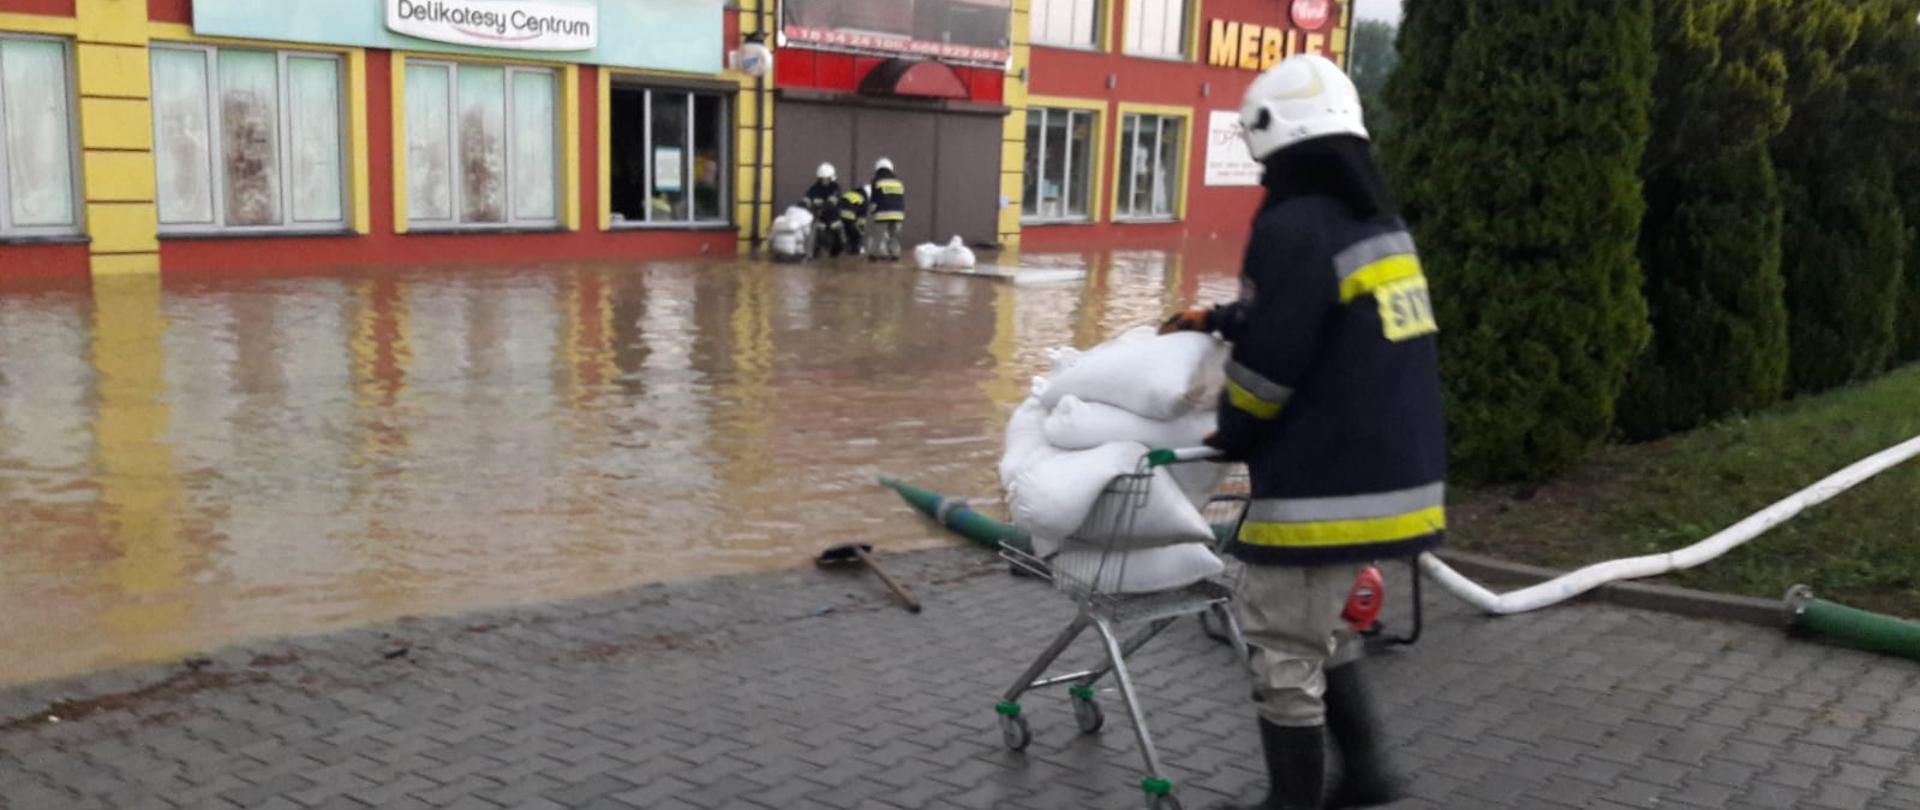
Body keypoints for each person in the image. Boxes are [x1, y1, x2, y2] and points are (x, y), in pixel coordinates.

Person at [1160, 54, 1443, 810]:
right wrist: (1220, 319)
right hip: (1396, 480)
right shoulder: (1376, 224)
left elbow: (1268, 371)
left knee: (1280, 647)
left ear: (1276, 143)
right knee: (1325, 631)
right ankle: (1368, 777)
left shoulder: (1290, 226)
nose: (1260, 179)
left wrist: (1229, 439)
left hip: (1323, 484)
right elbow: (1320, 322)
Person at [865, 158, 908, 261]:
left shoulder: (877, 181)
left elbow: (874, 199)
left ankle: (874, 255)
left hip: (883, 213)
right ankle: (895, 254)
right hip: (898, 214)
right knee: (894, 236)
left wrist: (871, 211)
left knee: (879, 236)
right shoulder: (898, 182)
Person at [804, 163, 843, 257]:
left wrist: (821, 205)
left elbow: (832, 201)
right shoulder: (815, 188)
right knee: (816, 234)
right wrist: (804, 203)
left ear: (831, 178)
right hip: (819, 218)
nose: (824, 181)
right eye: (823, 178)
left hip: (833, 217)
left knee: (838, 237)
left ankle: (837, 251)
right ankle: (814, 252)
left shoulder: (835, 188)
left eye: (827, 178)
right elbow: (808, 197)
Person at [838, 183, 868, 257]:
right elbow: (862, 216)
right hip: (849, 215)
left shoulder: (850, 193)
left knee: (847, 232)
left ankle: (846, 248)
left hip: (840, 213)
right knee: (856, 232)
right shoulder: (864, 198)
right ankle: (856, 249)